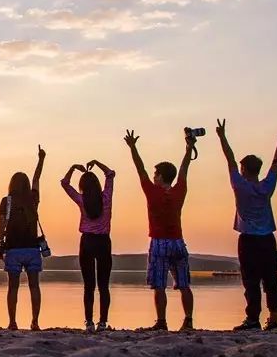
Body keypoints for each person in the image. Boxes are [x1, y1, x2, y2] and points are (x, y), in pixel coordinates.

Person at [216, 120, 277, 331]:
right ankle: (273, 320)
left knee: (251, 282)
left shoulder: (239, 186)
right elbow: (276, 164)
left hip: (248, 239)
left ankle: (253, 320)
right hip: (267, 239)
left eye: (240, 168)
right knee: (271, 281)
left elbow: (229, 159)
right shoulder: (267, 186)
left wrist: (222, 137)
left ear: (243, 169)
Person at [125, 128, 196, 331]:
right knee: (184, 284)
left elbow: (140, 170)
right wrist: (188, 149)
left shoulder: (152, 191)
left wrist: (133, 148)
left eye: (156, 174)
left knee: (159, 285)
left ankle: (162, 322)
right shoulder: (179, 190)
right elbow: (184, 169)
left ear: (160, 176)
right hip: (178, 241)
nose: (153, 176)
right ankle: (188, 320)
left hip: (159, 242)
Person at [61, 158, 115, 332]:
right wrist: (98, 163)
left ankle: (89, 322)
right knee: (104, 285)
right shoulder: (106, 197)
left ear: (82, 186)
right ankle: (103, 322)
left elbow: (65, 183)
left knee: (89, 285)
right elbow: (110, 174)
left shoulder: (82, 199)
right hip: (103, 242)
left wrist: (73, 168)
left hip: (87, 242)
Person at [0, 145, 47, 330]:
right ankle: (35, 321)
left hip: (13, 249)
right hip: (33, 249)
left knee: (13, 287)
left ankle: (12, 322)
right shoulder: (32, 199)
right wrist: (41, 160)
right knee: (34, 286)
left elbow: (1, 225)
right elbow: (36, 179)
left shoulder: (7, 201)